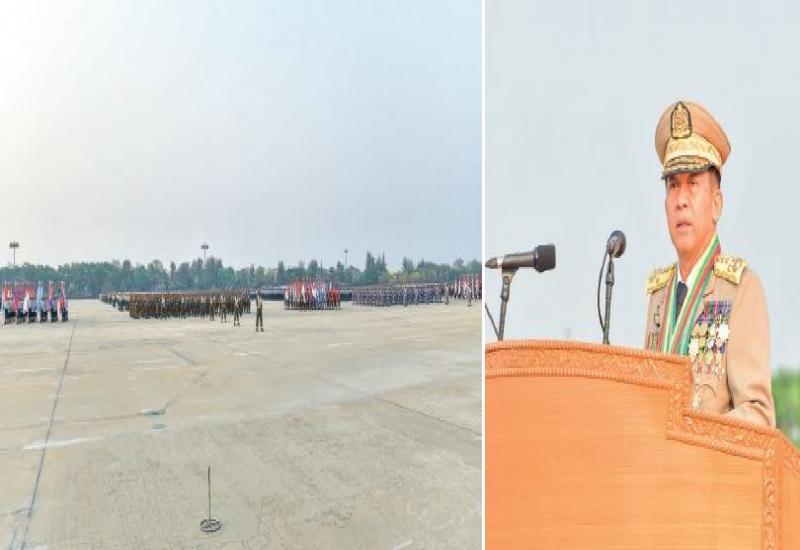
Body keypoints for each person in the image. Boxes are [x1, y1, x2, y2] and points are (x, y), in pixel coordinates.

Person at [644, 100, 775, 427]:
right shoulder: (659, 295)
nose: (681, 200)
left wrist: (694, 434)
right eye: (673, 185)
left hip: (706, 459)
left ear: (717, 203)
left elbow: (758, 414)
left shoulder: (740, 290)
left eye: (693, 183)